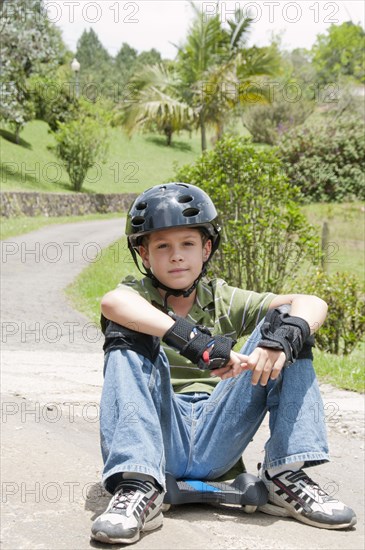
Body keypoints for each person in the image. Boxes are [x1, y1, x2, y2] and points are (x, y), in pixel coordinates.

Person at [91, 183, 356, 545]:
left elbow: (312, 302)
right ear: (145, 254)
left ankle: (286, 476)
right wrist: (195, 342)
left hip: (221, 432)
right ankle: (136, 484)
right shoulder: (137, 295)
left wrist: (284, 338)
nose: (176, 256)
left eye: (187, 244)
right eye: (162, 246)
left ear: (206, 249)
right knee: (125, 330)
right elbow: (113, 304)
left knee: (288, 323)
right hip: (160, 437)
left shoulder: (224, 299)